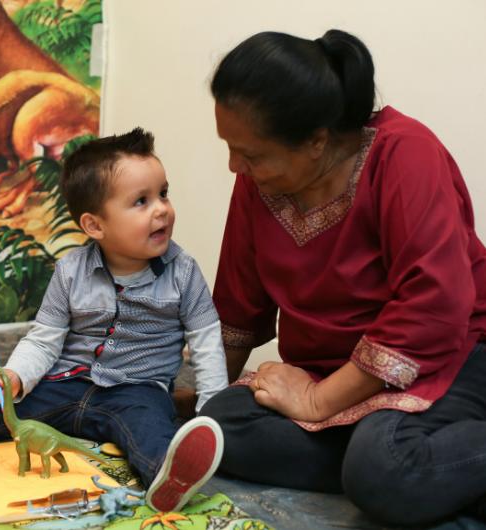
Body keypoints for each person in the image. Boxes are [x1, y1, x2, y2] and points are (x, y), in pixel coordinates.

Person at [201, 29, 486, 526]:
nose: (234, 166)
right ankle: (409, 467)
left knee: (383, 468)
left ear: (316, 140)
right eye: (230, 148)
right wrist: (205, 404)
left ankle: (387, 466)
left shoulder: (405, 153)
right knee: (222, 425)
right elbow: (238, 303)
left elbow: (434, 308)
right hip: (335, 372)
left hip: (449, 356)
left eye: (251, 154)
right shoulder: (257, 182)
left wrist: (316, 401)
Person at [0, 128, 228, 513]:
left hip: (137, 390)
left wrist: (213, 408)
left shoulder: (183, 272)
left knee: (150, 432)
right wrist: (16, 375)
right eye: (141, 201)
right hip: (65, 384)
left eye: (163, 194)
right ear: (95, 226)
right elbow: (44, 339)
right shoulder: (70, 271)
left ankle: (170, 478)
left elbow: (206, 340)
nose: (162, 209)